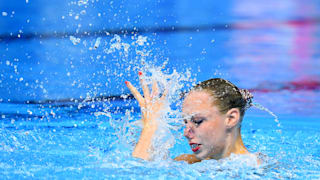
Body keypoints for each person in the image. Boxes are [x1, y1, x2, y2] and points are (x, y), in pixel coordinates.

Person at [125, 72, 254, 164]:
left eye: (198, 121)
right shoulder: (190, 162)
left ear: (231, 118)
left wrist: (150, 127)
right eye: (185, 122)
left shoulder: (255, 172)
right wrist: (149, 128)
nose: (186, 133)